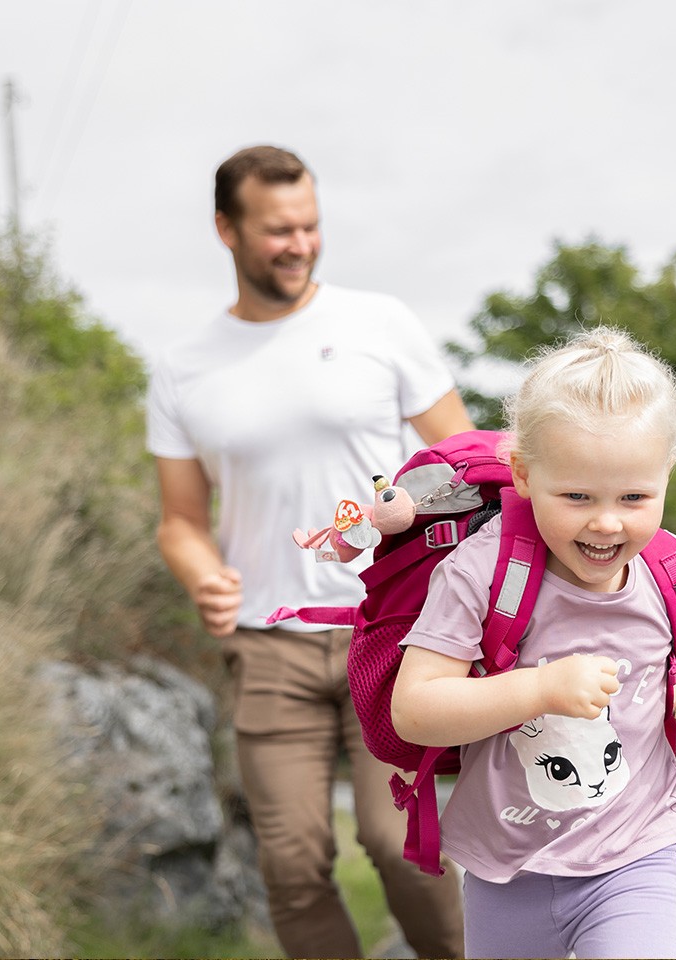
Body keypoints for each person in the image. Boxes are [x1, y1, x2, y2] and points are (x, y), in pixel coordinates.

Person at [145, 145, 469, 958]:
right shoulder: (182, 367)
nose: (298, 244)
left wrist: (412, 519)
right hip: (268, 642)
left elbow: (468, 462)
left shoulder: (379, 323)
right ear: (226, 229)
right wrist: (200, 573)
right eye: (277, 230)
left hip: (391, 629)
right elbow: (179, 518)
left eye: (310, 226)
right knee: (290, 866)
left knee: (399, 846)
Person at [388, 326, 676, 959]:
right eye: (577, 496)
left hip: (641, 850)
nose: (606, 522)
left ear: (666, 475)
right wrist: (538, 688)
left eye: (634, 497)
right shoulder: (479, 574)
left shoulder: (673, 569)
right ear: (525, 475)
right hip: (508, 869)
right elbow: (415, 709)